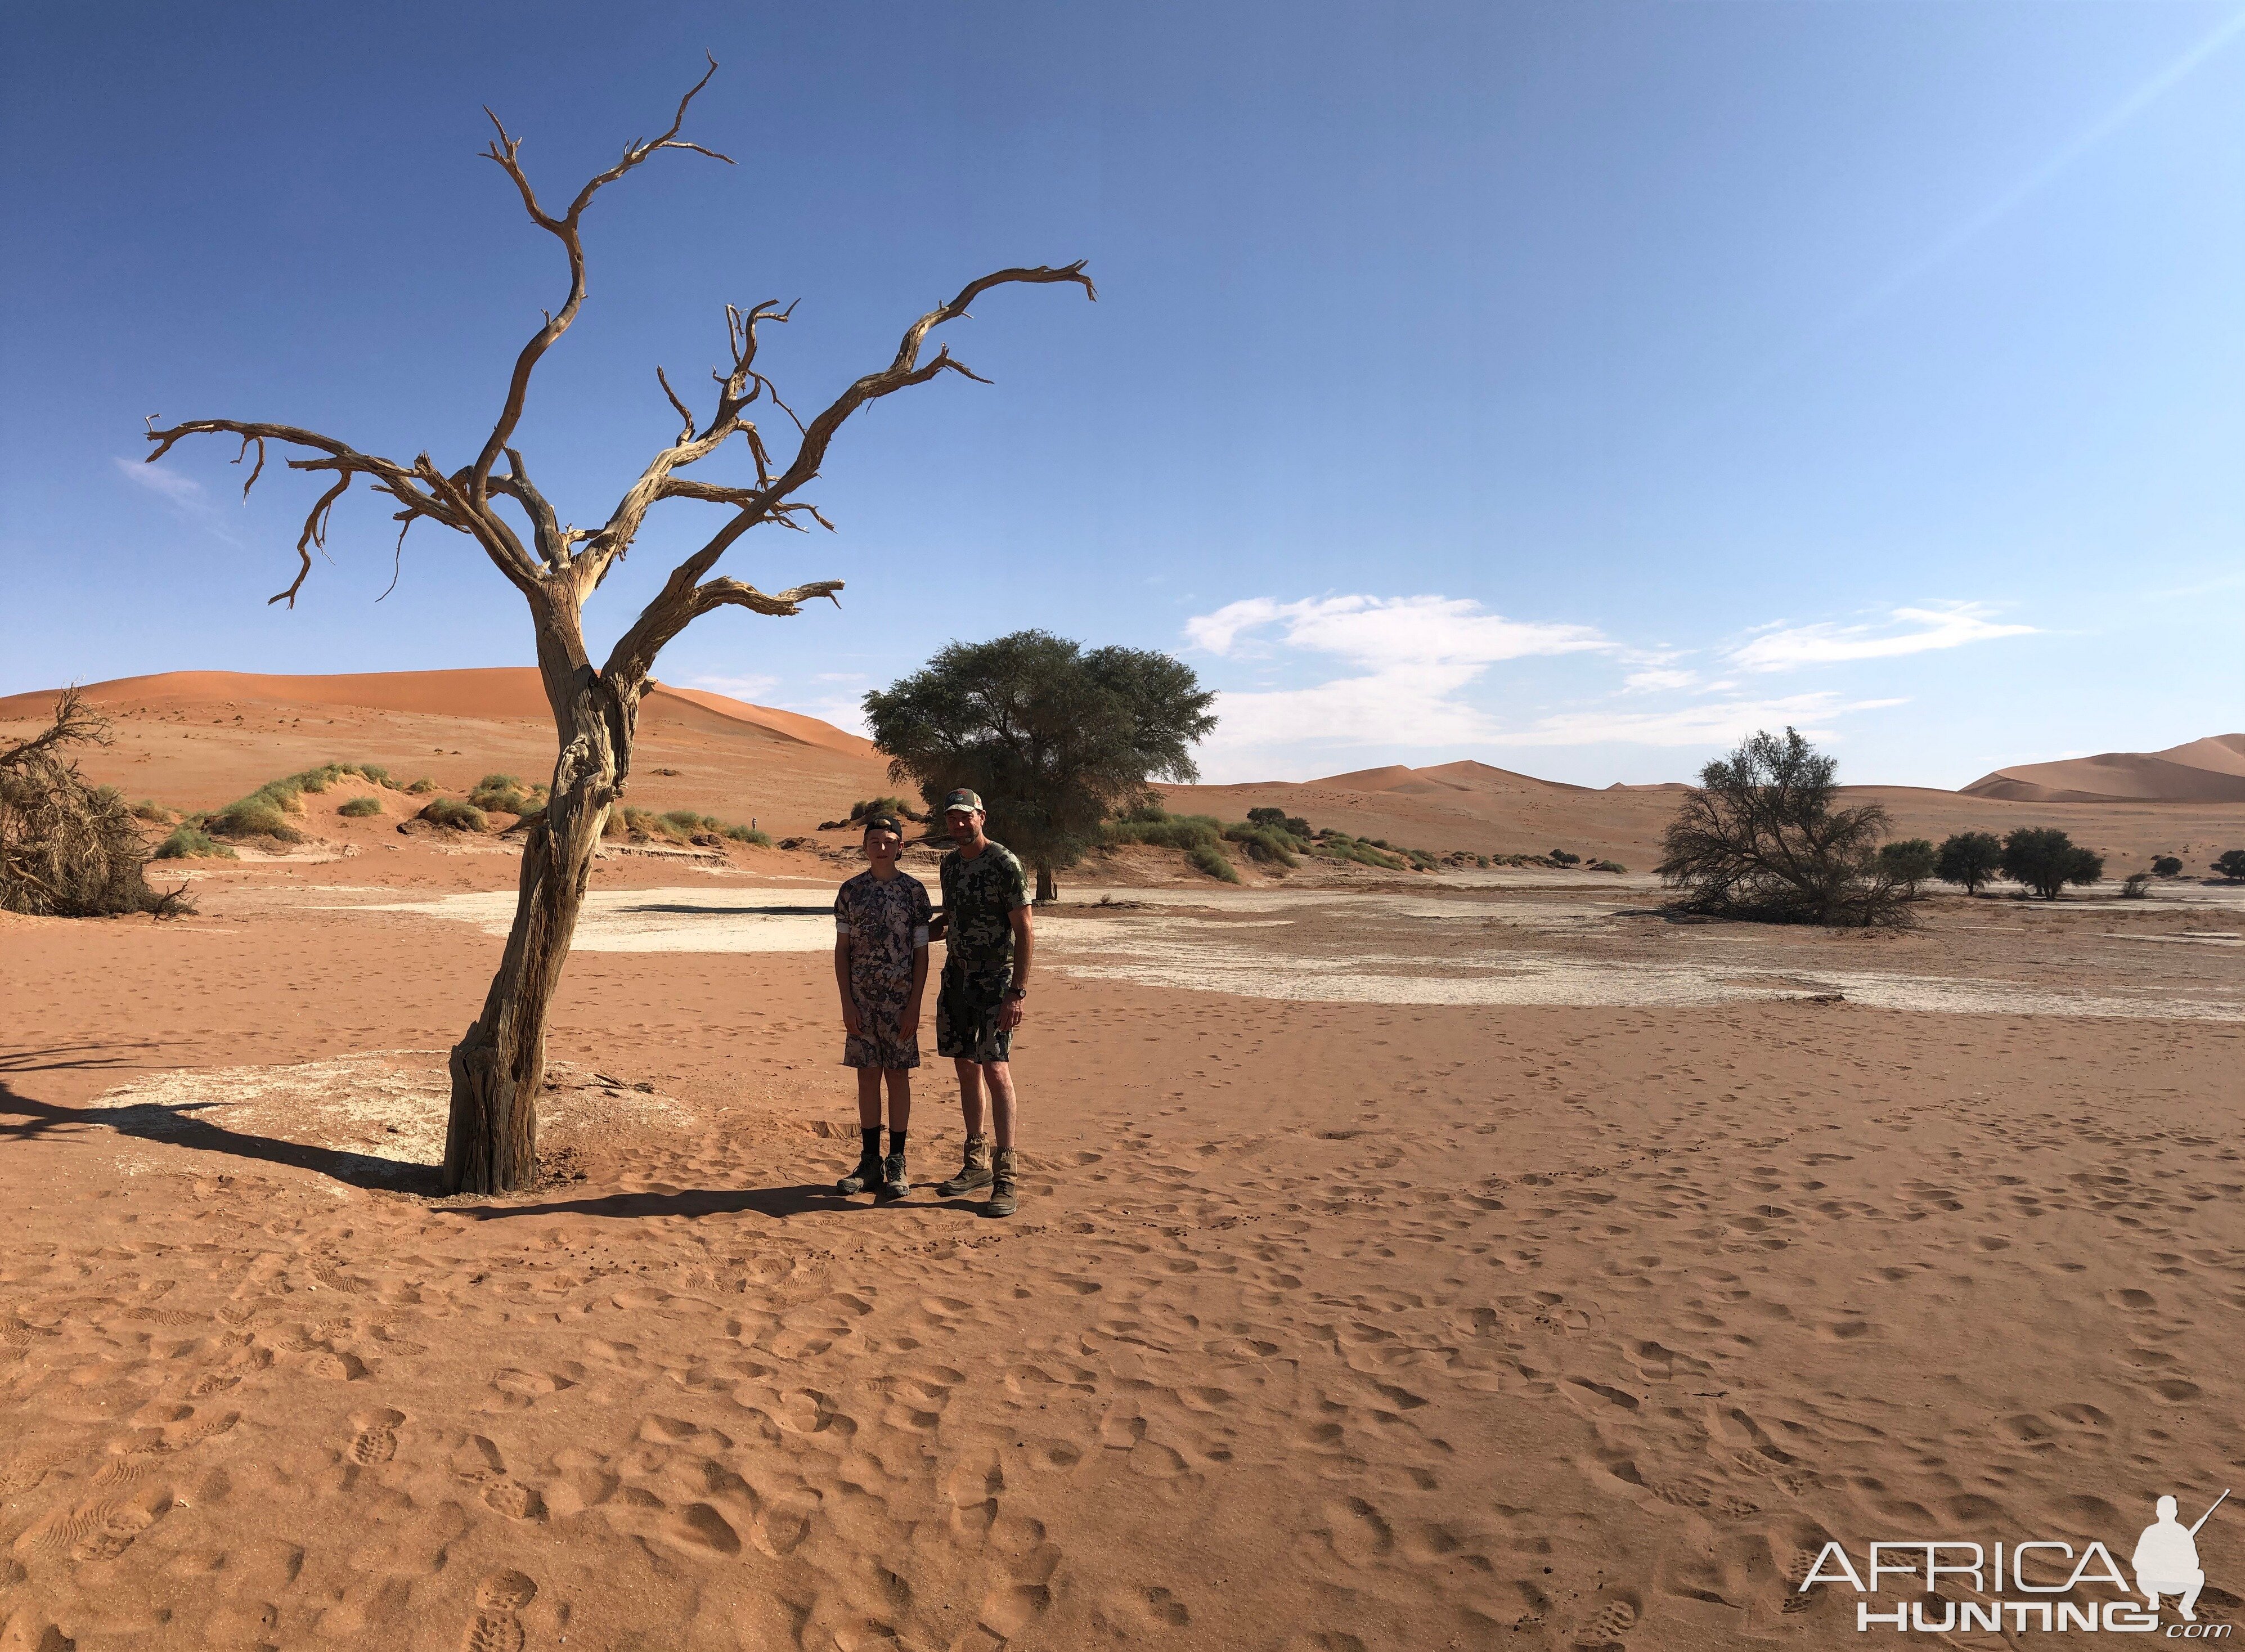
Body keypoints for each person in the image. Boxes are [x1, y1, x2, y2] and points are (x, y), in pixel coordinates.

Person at [929, 789, 1033, 1217]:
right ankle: (976, 1163)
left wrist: (1017, 992)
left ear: (981, 818)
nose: (957, 825)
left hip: (996, 979)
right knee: (964, 1065)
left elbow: (1024, 930)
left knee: (996, 1068)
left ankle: (1006, 1174)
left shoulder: (1004, 863)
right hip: (957, 974)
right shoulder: (950, 865)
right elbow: (955, 913)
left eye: (964, 818)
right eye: (951, 819)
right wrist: (929, 929)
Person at [830, 813, 932, 1200]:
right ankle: (869, 1161)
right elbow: (842, 951)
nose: (882, 847)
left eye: (890, 841)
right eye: (875, 841)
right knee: (867, 1077)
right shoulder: (850, 891)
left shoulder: (915, 893)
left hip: (900, 1004)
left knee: (899, 1077)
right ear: (865, 847)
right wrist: (847, 1003)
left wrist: (914, 1007)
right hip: (861, 1003)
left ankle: (898, 1161)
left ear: (901, 847)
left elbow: (922, 955)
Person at [2132, 1494, 2208, 1620]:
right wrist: (2155, 1563)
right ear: (2176, 1513)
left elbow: (2194, 1563)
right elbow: (2137, 1562)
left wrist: (2177, 1561)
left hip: (2176, 1581)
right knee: (2141, 1574)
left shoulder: (2183, 1533)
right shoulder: (2150, 1532)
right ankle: (2153, 1598)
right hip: (2154, 1580)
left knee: (2199, 1575)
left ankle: (2186, 1607)